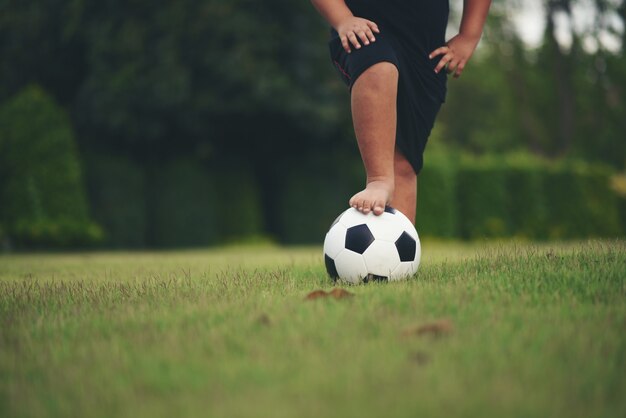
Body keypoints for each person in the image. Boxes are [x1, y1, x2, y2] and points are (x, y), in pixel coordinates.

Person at [310, 0, 491, 223]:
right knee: (378, 65)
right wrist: (343, 19)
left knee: (404, 164)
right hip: (362, 27)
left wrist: (469, 34)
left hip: (426, 51)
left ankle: (399, 256)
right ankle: (378, 179)